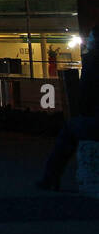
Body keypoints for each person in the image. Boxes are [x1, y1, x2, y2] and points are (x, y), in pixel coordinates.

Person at [37, 27, 99, 191]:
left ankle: (50, 178)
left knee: (69, 129)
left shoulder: (93, 61)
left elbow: (85, 97)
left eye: (91, 38)